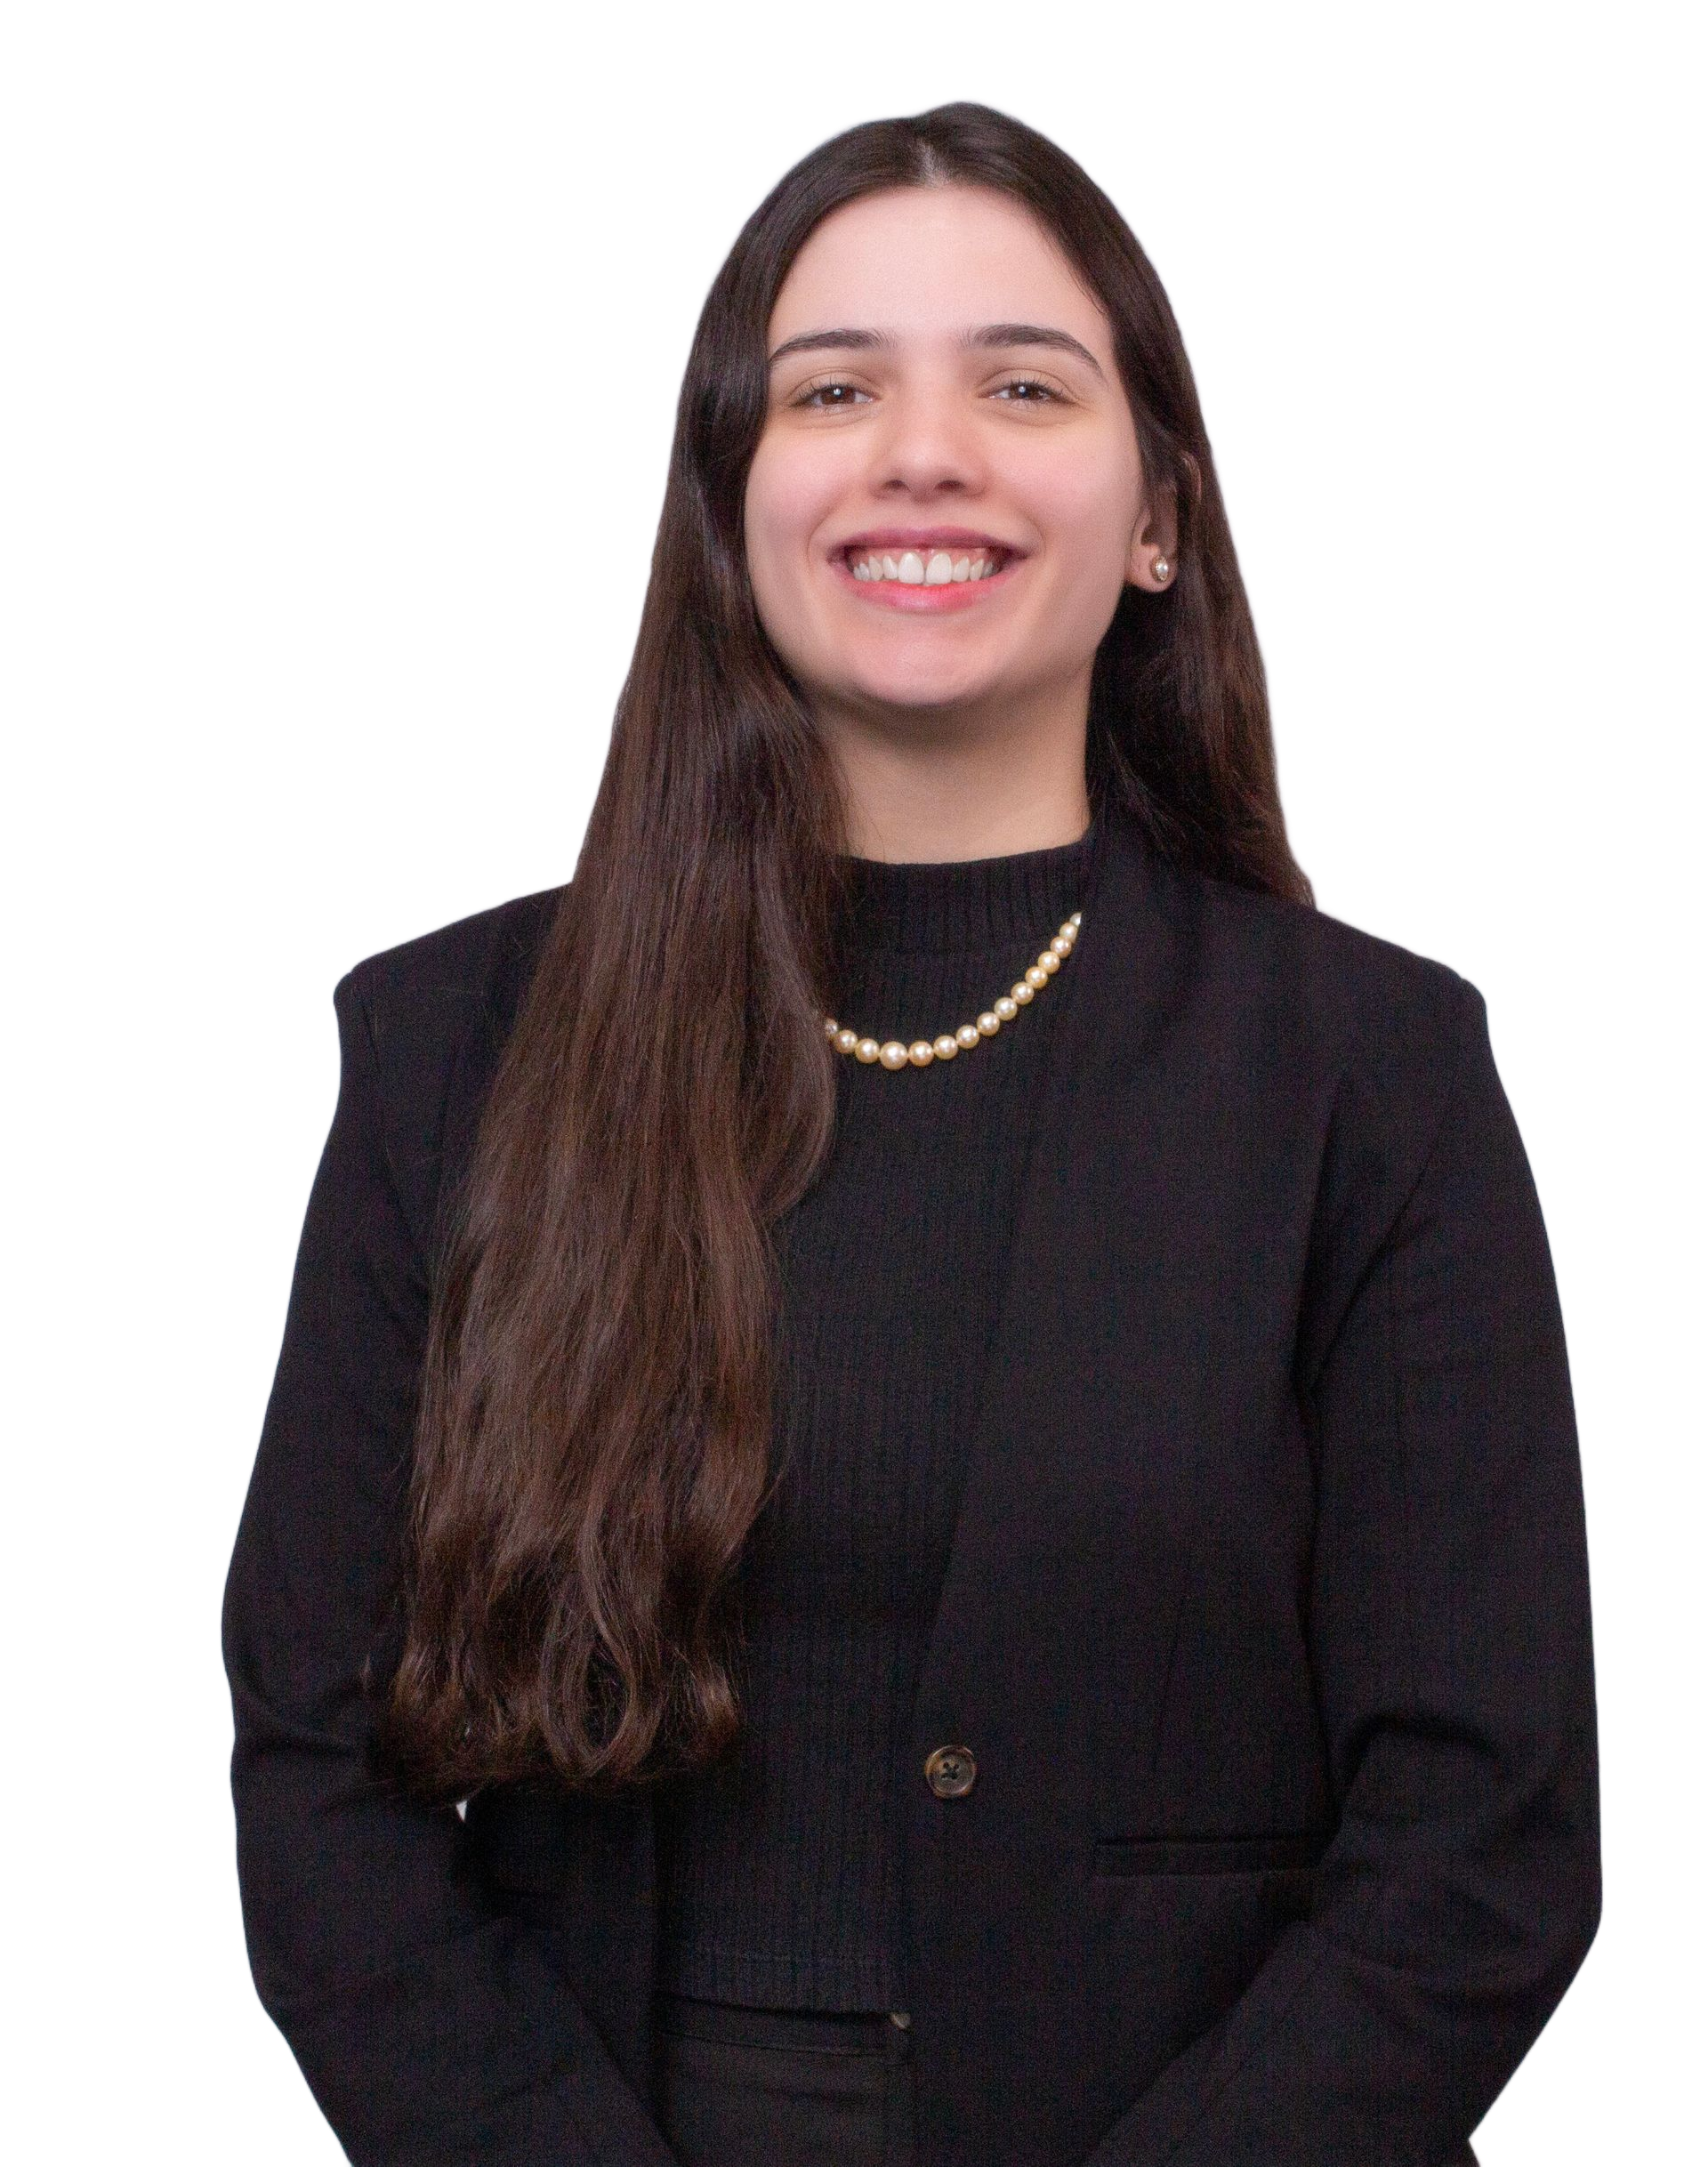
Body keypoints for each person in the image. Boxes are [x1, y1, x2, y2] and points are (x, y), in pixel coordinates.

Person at [220, 97, 1602, 2167]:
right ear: (734, 501)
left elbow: (1488, 1837)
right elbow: (316, 1768)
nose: (922, 449)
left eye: (1023, 384)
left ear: (1158, 514)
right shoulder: (451, 1044)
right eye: (836, 386)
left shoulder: (1373, 1070)